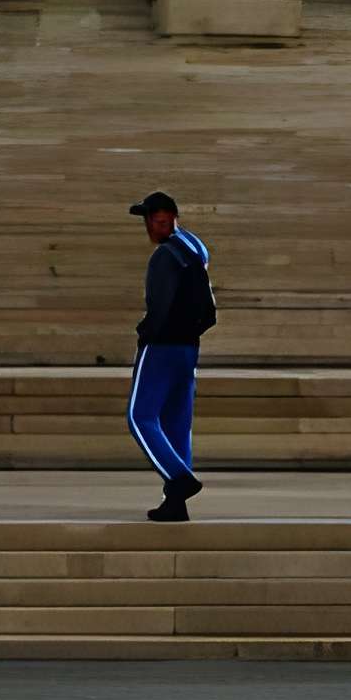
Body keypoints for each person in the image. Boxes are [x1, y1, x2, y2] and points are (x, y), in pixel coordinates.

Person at [125, 189, 214, 522]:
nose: (151, 228)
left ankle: (179, 481)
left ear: (164, 220)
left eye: (154, 221)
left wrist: (146, 334)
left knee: (140, 416)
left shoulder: (164, 257)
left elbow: (160, 306)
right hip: (189, 347)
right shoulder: (195, 247)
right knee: (177, 425)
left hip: (162, 347)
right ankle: (175, 504)